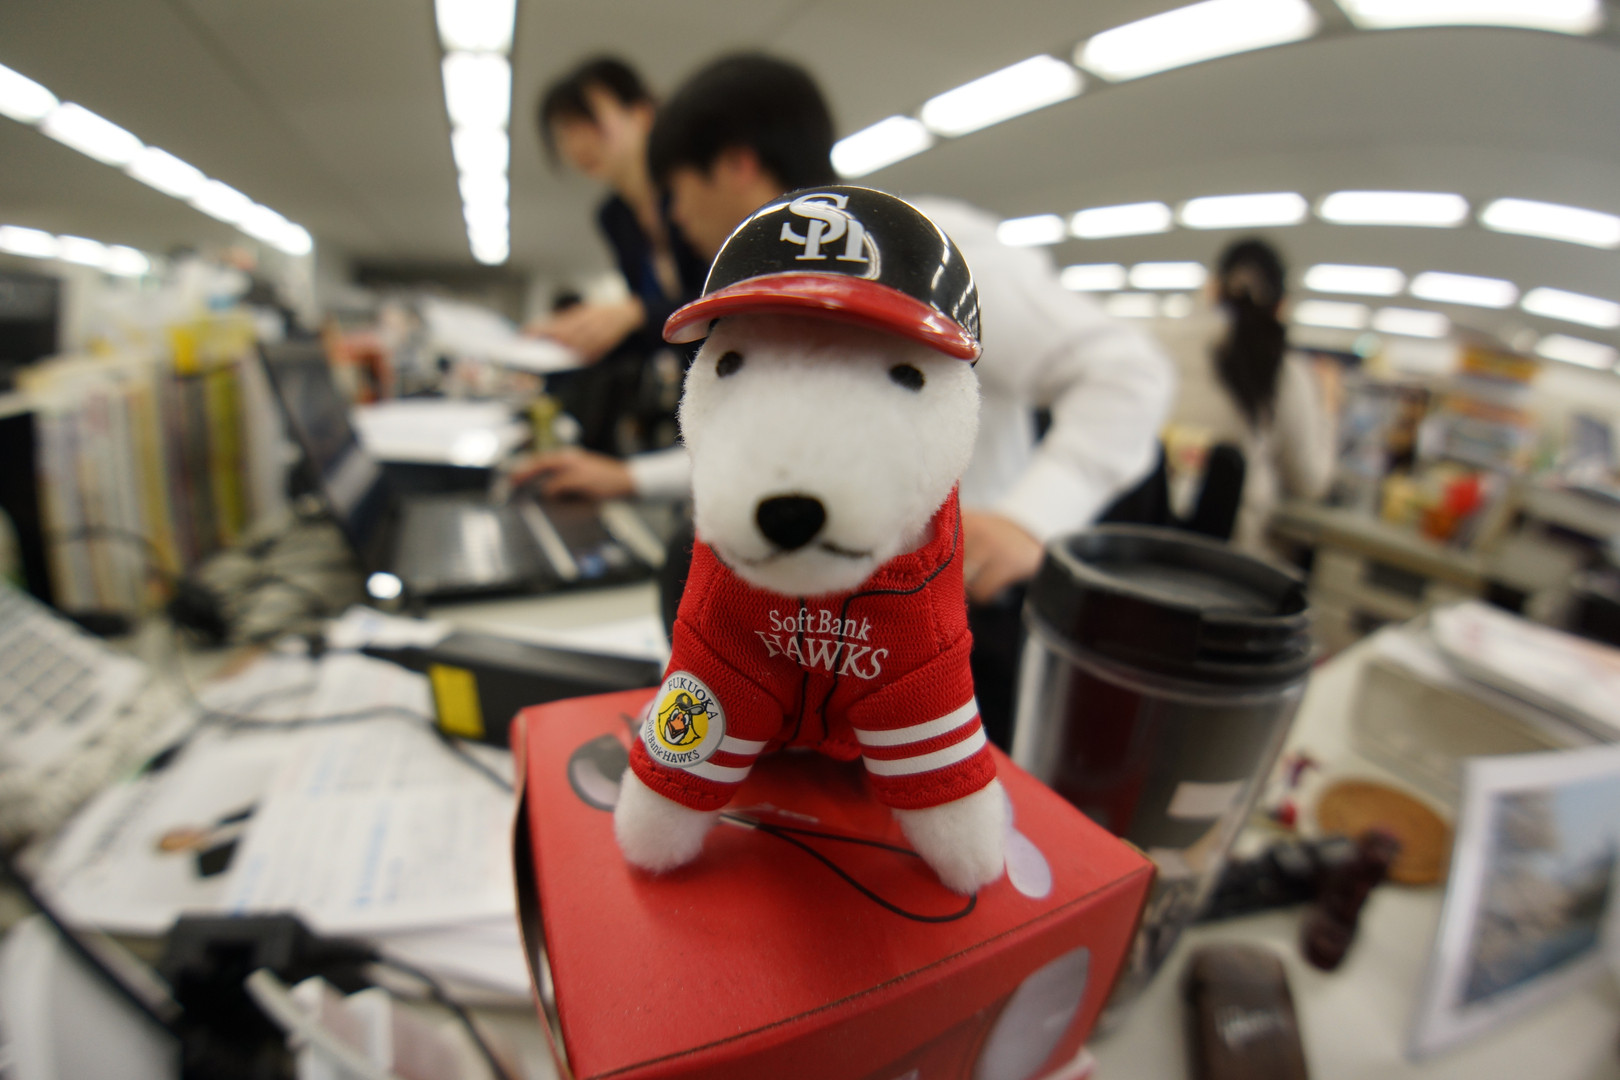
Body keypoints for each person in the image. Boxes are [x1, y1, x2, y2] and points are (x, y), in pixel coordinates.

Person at [522, 54, 1174, 746]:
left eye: (677, 192)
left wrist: (1030, 518)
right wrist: (628, 479)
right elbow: (776, 461)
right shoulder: (767, 304)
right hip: (819, 627)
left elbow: (1126, 371)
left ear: (738, 165)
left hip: (949, 624)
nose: (675, 218)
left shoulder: (923, 253)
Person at [1156, 238, 1339, 554]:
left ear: (1212, 287)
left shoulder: (1161, 341)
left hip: (1138, 543)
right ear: (1281, 305)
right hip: (1229, 560)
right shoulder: (1287, 371)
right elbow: (1310, 482)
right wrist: (1330, 405)